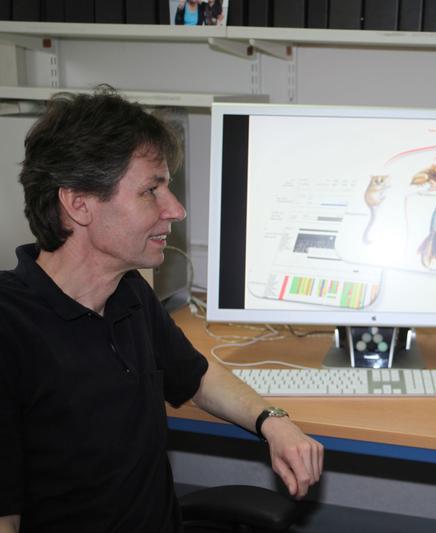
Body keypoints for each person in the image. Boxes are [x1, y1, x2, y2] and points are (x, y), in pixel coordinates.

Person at [0, 90, 323, 532]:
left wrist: (272, 421)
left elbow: (195, 374)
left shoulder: (128, 293)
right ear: (78, 204)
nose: (176, 209)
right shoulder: (10, 329)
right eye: (152, 190)